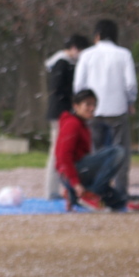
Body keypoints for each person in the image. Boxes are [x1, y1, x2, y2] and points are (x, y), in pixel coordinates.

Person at [73, 19, 137, 201]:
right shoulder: (124, 54)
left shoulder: (86, 55)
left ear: (97, 36)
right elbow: (131, 84)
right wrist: (130, 101)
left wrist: (82, 106)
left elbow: (79, 84)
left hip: (92, 111)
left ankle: (97, 190)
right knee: (121, 152)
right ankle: (121, 191)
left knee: (95, 153)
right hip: (118, 108)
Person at [55, 89, 127, 211]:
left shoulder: (83, 124)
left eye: (94, 105)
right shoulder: (72, 124)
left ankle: (75, 196)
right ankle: (92, 194)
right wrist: (75, 183)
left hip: (78, 173)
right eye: (87, 104)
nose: (92, 108)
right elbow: (63, 156)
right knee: (117, 152)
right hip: (74, 173)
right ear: (76, 106)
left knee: (119, 201)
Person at [43, 35, 90, 199]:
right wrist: (73, 101)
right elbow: (57, 89)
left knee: (64, 152)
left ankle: (60, 189)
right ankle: (51, 190)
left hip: (64, 113)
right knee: (57, 152)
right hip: (59, 114)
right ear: (74, 48)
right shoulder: (61, 63)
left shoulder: (67, 63)